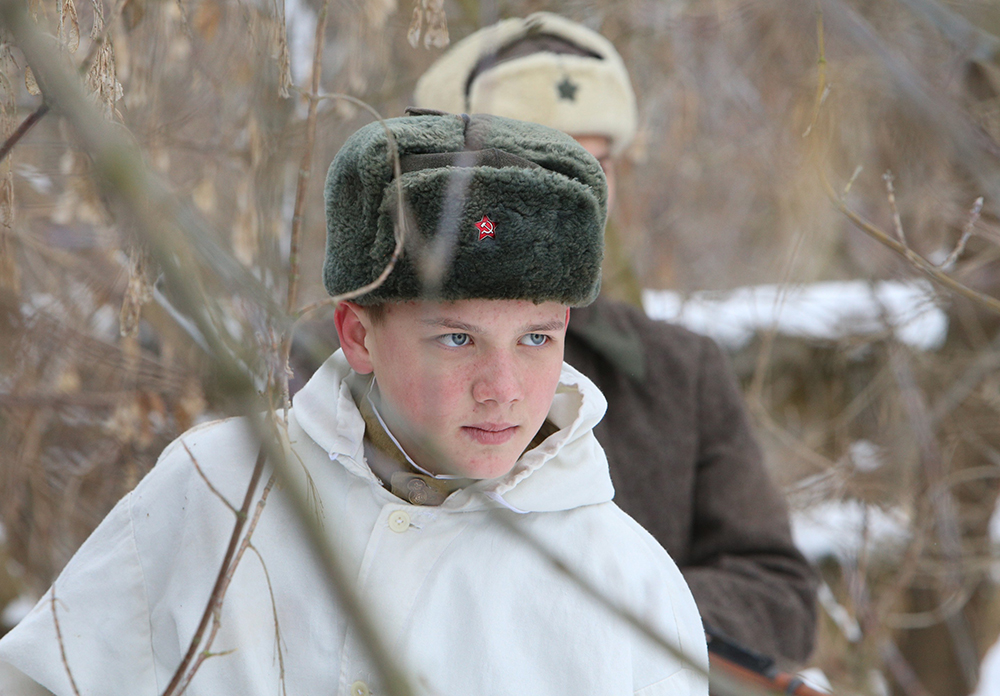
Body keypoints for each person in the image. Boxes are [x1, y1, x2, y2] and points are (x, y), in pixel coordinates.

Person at [0, 113, 709, 695]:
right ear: (358, 333)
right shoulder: (221, 485)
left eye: (534, 338)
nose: (504, 386)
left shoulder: (623, 578)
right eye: (458, 338)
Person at [413, 12, 818, 665]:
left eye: (595, 163)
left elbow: (779, 593)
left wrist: (612, 623)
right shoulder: (342, 360)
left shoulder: (680, 369)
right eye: (542, 160)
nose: (577, 195)